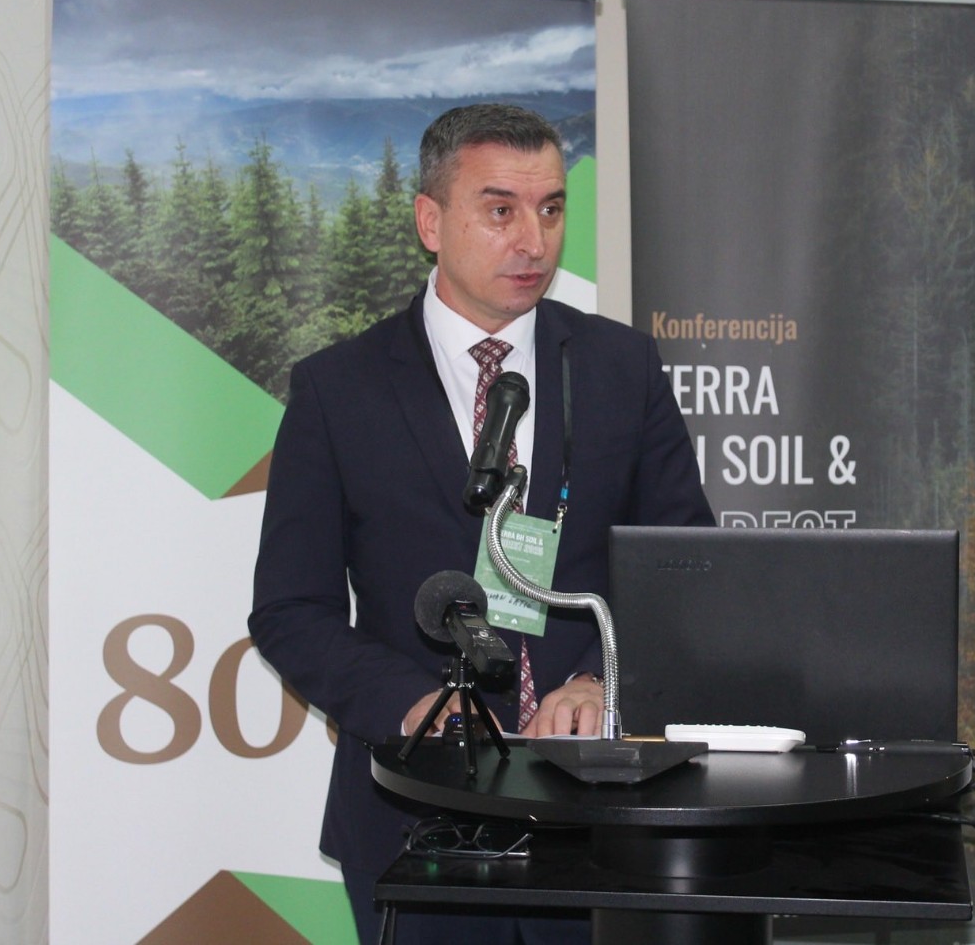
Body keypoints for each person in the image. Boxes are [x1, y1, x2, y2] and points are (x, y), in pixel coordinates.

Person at [248, 103, 714, 944]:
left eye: (551, 208)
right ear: (430, 222)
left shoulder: (622, 368)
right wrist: (418, 706)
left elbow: (688, 574)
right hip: (415, 822)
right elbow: (291, 610)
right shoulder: (338, 390)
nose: (533, 241)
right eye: (501, 210)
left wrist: (605, 682)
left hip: (601, 820)